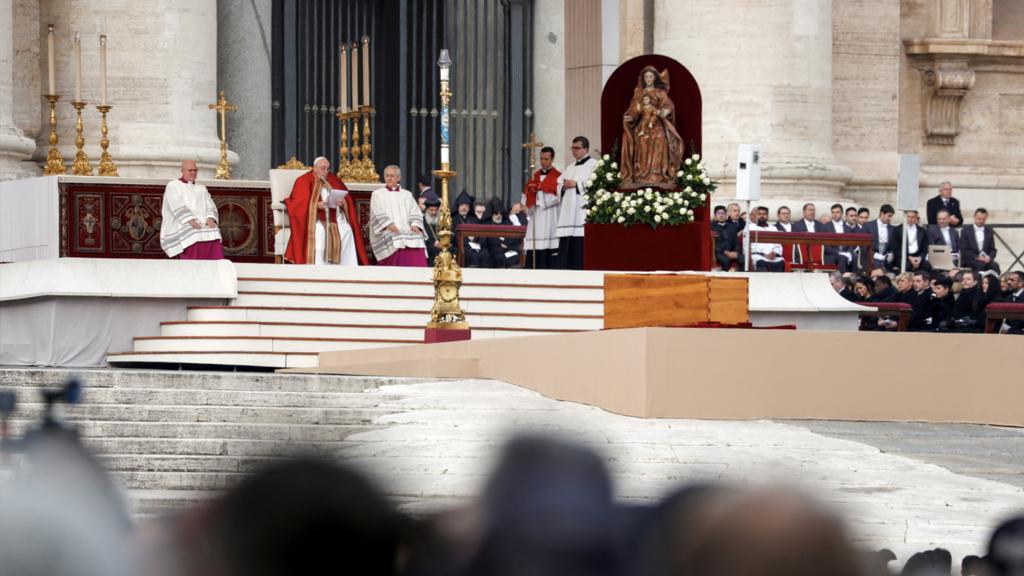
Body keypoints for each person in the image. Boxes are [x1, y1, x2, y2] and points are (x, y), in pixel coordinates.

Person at [282, 156, 367, 266]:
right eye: (323, 168)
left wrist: (342, 203)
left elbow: (347, 199)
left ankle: (345, 269)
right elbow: (297, 204)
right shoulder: (303, 180)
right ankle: (319, 268)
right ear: (315, 168)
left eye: (328, 169)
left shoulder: (334, 179)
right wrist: (315, 205)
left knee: (346, 230)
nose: (326, 171)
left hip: (334, 216)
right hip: (314, 219)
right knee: (321, 232)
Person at [620, 66, 684, 186]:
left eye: (651, 76)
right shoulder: (639, 92)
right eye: (646, 77)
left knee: (661, 138)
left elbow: (668, 105)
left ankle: (658, 174)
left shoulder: (660, 92)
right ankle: (642, 174)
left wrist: (665, 111)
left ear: (655, 78)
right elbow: (634, 109)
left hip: (657, 123)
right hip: (643, 124)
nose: (648, 79)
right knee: (643, 139)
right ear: (643, 79)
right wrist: (631, 117)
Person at [160, 160, 224, 260]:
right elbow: (175, 205)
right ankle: (193, 266)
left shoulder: (201, 188)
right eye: (190, 170)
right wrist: (190, 220)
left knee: (214, 231)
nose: (193, 173)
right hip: (182, 222)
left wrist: (210, 218)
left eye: (195, 170)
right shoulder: (173, 186)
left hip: (202, 221)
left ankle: (214, 267)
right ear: (182, 170)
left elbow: (210, 204)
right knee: (193, 233)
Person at [368, 165, 427, 267]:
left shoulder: (407, 194)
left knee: (417, 238)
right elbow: (377, 212)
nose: (389, 178)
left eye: (392, 176)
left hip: (407, 229)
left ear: (398, 178)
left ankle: (418, 273)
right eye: (387, 176)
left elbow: (415, 211)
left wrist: (415, 224)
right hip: (388, 230)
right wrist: (389, 225)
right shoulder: (377, 194)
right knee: (397, 238)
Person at [556, 136, 597, 269]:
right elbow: (558, 184)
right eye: (572, 148)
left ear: (585, 149)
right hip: (568, 212)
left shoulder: (594, 165)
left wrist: (576, 185)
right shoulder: (569, 167)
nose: (574, 151)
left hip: (581, 211)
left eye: (577, 148)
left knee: (579, 245)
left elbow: (597, 185)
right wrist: (563, 186)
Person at [522, 146, 561, 269]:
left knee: (549, 243)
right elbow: (525, 198)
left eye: (546, 159)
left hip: (550, 215)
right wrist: (531, 193)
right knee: (535, 243)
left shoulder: (558, 176)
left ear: (552, 159)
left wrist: (539, 193)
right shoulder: (535, 176)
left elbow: (557, 197)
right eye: (541, 158)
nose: (543, 162)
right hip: (536, 216)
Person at [960, 208, 1000, 273]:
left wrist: (989, 257)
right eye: (979, 218)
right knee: (980, 265)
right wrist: (978, 257)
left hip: (985, 259)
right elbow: (963, 250)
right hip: (970, 260)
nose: (981, 221)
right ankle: (979, 282)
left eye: (983, 219)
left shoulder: (989, 231)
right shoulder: (965, 231)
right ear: (974, 217)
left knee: (995, 266)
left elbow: (993, 249)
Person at [484, 197, 521, 268]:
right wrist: (499, 244)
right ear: (491, 214)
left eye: (500, 214)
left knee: (515, 257)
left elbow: (514, 239)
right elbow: (484, 242)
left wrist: (507, 246)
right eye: (496, 214)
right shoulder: (486, 224)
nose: (499, 216)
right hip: (494, 252)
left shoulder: (507, 222)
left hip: (509, 250)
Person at [747, 206, 783, 272]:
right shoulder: (750, 227)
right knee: (760, 264)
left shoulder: (773, 228)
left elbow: (778, 245)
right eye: (759, 214)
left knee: (780, 262)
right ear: (755, 216)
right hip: (758, 256)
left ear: (767, 216)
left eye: (764, 214)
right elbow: (748, 246)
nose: (762, 216)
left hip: (773, 257)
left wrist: (774, 253)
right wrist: (764, 254)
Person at [421, 191, 451, 267]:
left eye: (435, 210)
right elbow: (421, 236)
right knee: (433, 250)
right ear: (427, 210)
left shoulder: (442, 220)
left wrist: (443, 242)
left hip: (442, 244)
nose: (433, 212)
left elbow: (448, 231)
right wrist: (433, 243)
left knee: (453, 250)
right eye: (431, 210)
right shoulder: (422, 221)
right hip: (428, 245)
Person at [823, 203, 855, 272]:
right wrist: (839, 252)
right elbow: (825, 246)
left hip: (845, 252)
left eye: (837, 212)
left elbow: (851, 244)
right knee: (842, 258)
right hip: (831, 254)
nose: (835, 214)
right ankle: (841, 280)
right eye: (833, 212)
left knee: (854, 257)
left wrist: (849, 253)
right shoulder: (825, 227)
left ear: (842, 213)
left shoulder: (847, 227)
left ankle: (854, 279)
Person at [863, 204, 896, 272]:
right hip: (872, 257)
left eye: (891, 216)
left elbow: (892, 245)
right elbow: (863, 245)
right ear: (882, 213)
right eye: (889, 216)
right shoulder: (868, 226)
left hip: (886, 257)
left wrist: (890, 254)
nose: (890, 218)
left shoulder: (892, 228)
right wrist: (874, 255)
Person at [712, 205, 740, 271]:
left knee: (744, 259)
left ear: (726, 214)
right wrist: (726, 252)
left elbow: (736, 242)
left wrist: (736, 252)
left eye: (723, 213)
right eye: (719, 213)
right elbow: (713, 243)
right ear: (715, 215)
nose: (721, 215)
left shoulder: (732, 226)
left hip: (732, 252)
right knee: (726, 260)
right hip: (719, 253)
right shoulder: (711, 227)